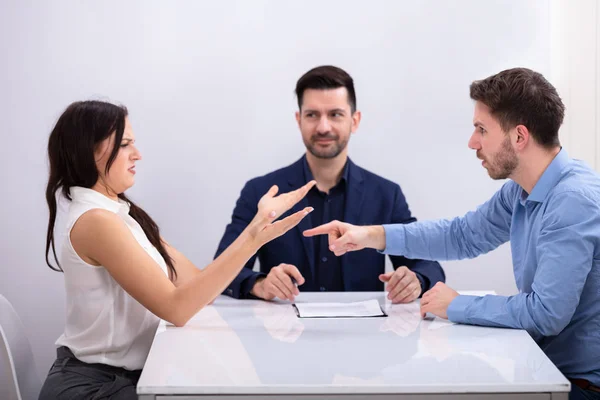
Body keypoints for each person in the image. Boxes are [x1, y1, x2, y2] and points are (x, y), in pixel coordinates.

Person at [304, 67, 600, 400]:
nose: (473, 142)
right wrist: (369, 235)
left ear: (519, 137)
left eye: (482, 129)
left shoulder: (573, 202)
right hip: (541, 374)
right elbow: (461, 236)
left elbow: (546, 315)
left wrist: (457, 304)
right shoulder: (521, 191)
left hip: (577, 387)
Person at [38, 100, 315, 400]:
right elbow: (177, 309)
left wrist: (258, 265)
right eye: (125, 144)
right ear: (89, 151)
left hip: (126, 377)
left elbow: (198, 290)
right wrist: (254, 237)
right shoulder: (96, 221)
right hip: (94, 387)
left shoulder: (120, 212)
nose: (137, 154)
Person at [215, 65, 444, 303]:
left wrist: (415, 280)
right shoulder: (260, 192)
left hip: (366, 336)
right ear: (299, 119)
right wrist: (260, 284)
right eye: (312, 115)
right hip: (281, 334)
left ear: (354, 121)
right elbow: (220, 270)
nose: (323, 127)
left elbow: (429, 266)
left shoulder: (386, 194)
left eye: (335, 114)